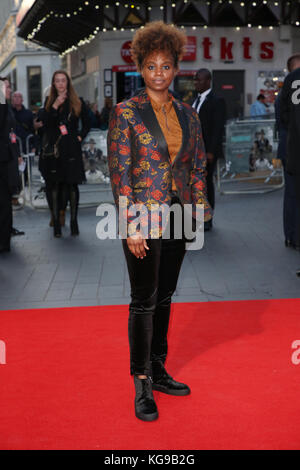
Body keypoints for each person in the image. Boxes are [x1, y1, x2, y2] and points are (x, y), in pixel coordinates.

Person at [107, 21, 212, 422]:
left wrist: (199, 207)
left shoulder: (188, 115)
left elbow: (197, 166)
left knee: (165, 296)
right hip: (143, 217)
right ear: (140, 67)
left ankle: (158, 368)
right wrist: (131, 224)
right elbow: (119, 172)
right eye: (151, 66)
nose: (158, 73)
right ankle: (141, 382)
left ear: (175, 68)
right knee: (143, 299)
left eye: (165, 66)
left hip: (179, 215)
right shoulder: (126, 113)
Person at [39, 70, 90, 237]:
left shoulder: (77, 101)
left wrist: (80, 136)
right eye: (57, 81)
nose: (61, 84)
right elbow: (45, 124)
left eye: (63, 80)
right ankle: (56, 224)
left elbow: (89, 121)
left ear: (68, 83)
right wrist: (54, 106)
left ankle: (74, 221)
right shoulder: (48, 102)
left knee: (72, 185)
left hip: (72, 149)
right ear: (53, 84)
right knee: (55, 185)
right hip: (55, 150)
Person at [192, 68, 226, 231]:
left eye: (199, 80)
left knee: (205, 185)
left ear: (208, 81)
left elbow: (218, 128)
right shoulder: (195, 100)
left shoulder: (216, 100)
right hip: (193, 152)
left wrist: (211, 151)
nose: (195, 82)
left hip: (206, 152)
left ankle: (207, 218)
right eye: (195, 80)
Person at [0, 77, 24, 252]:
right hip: (2, 161)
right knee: (3, 202)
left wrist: (17, 154)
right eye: (7, 87)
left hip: (8, 159)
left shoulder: (6, 108)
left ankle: (5, 236)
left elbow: (11, 132)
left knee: (6, 201)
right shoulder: (2, 106)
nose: (9, 90)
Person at [280, 53, 300, 261]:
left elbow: (283, 116)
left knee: (292, 195)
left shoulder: (289, 82)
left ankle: (292, 236)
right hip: (293, 148)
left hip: (291, 149)